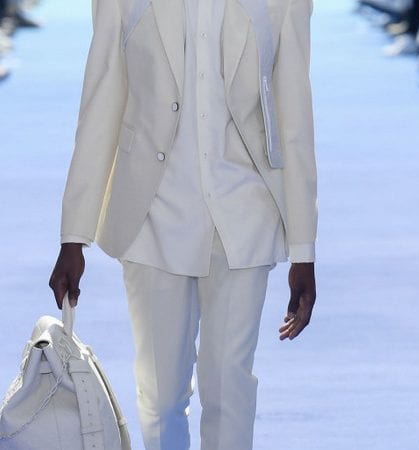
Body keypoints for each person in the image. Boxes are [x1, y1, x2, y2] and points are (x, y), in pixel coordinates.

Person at [49, 0, 318, 448]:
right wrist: (74, 236)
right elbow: (102, 97)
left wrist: (304, 249)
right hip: (152, 213)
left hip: (245, 209)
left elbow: (295, 113)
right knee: (160, 394)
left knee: (230, 385)